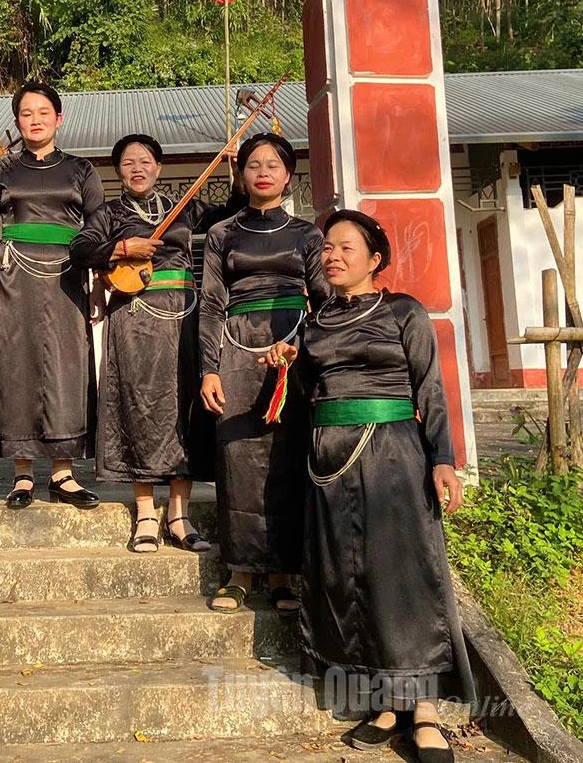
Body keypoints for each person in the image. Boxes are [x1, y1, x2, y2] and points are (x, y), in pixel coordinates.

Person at [261, 210, 470, 763]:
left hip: (394, 455)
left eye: (345, 247)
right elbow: (307, 397)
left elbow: (430, 388)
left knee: (405, 576)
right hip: (329, 463)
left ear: (375, 260)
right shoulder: (314, 323)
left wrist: (442, 460)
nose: (332, 256)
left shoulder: (404, 311)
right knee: (350, 579)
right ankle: (384, 705)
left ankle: (424, 709)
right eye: (327, 248)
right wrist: (289, 362)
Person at [70, 134, 244, 552]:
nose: (138, 168)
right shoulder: (109, 213)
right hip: (135, 319)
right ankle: (146, 513)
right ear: (118, 171)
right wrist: (122, 247)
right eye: (128, 162)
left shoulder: (182, 208)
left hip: (184, 317)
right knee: (140, 408)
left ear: (159, 168)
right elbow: (80, 249)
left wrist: (238, 176)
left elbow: (230, 216)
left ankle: (179, 515)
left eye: (145, 161)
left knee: (184, 409)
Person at [198, 132, 329, 614]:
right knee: (237, 459)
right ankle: (239, 572)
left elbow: (326, 302)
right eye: (254, 164)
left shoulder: (307, 235)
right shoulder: (222, 234)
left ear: (288, 174)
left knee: (286, 457)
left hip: (291, 349)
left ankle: (282, 575)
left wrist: (302, 348)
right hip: (236, 350)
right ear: (241, 173)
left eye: (273, 164)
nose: (263, 172)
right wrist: (209, 369)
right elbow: (210, 304)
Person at [0, 81, 103, 509]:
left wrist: (98, 284)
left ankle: (63, 474)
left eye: (44, 112)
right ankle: (22, 474)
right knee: (17, 365)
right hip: (12, 279)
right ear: (17, 121)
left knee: (67, 368)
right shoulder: (2, 171)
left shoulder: (82, 170)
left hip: (68, 278)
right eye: (27, 113)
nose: (36, 120)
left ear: (58, 119)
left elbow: (98, 227)